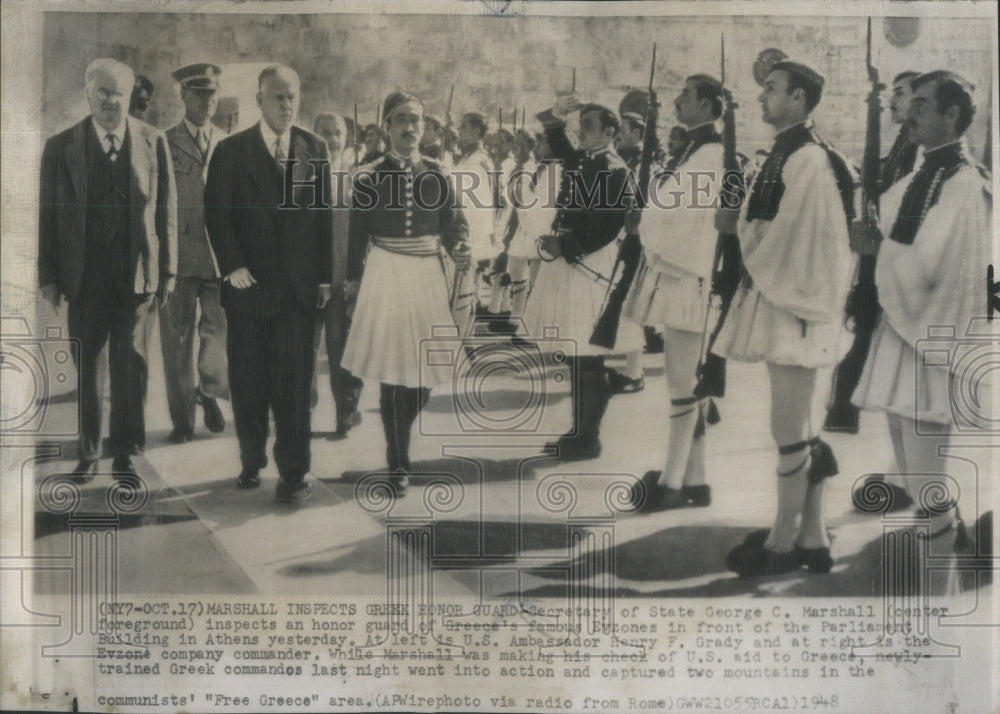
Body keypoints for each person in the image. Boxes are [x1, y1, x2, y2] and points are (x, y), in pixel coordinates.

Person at [712, 60, 855, 576]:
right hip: (785, 298)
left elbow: (796, 238)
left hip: (796, 303)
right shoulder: (789, 150)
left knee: (790, 427)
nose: (761, 98)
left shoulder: (810, 158)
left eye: (770, 90)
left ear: (798, 98)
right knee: (799, 426)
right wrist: (741, 221)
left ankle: (779, 546)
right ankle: (813, 540)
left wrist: (738, 232)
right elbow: (766, 218)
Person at [851, 71, 990, 567]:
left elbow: (935, 265)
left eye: (923, 105)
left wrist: (877, 248)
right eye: (910, 103)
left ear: (952, 115)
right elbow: (890, 223)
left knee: (928, 485)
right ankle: (951, 556)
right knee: (913, 476)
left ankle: (945, 595)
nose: (909, 113)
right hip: (901, 333)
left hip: (932, 340)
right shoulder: (922, 175)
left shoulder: (962, 183)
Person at [39, 58, 176, 481]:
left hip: (136, 275)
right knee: (89, 367)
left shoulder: (153, 141)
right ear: (87, 94)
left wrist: (168, 270)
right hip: (85, 277)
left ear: (130, 95)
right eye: (103, 92)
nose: (112, 101)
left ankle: (127, 452)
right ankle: (88, 452)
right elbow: (48, 216)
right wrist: (48, 276)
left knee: (131, 365)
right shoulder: (61, 147)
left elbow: (166, 210)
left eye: (119, 93)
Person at [205, 64, 333, 502]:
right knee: (250, 383)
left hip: (298, 293)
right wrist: (232, 265)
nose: (286, 105)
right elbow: (217, 215)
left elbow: (322, 222)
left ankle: (294, 472)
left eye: (292, 96)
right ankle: (251, 460)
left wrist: (325, 279)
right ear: (259, 101)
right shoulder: (231, 151)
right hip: (249, 289)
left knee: (295, 387)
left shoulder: (314, 149)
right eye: (277, 97)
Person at [341, 90, 470, 494]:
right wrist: (352, 281)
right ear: (387, 127)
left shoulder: (439, 172)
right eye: (401, 119)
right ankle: (398, 460)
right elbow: (357, 236)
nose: (410, 127)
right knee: (393, 373)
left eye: (416, 119)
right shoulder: (369, 175)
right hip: (386, 273)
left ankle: (401, 433)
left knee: (427, 371)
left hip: (428, 276)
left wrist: (461, 246)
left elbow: (455, 225)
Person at [624, 74, 726, 511]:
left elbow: (678, 217)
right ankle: (697, 479)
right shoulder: (697, 149)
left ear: (707, 105)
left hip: (690, 276)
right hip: (686, 274)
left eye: (686, 95)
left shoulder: (709, 154)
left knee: (682, 383)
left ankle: (670, 482)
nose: (678, 100)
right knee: (689, 384)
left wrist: (642, 220)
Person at [522, 94, 631, 461]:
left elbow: (609, 224)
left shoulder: (614, 169)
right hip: (569, 261)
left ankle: (588, 439)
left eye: (588, 125)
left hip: (590, 264)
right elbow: (557, 139)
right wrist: (556, 113)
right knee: (575, 354)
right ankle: (579, 431)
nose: (580, 131)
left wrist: (567, 244)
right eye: (580, 124)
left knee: (588, 357)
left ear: (610, 132)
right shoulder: (585, 160)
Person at [826, 70, 921, 438]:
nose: (893, 100)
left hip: (894, 259)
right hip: (877, 259)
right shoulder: (899, 145)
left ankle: (847, 410)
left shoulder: (914, 149)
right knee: (866, 335)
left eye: (901, 93)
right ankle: (844, 410)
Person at [160, 62, 228, 445]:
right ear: (183, 96)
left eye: (212, 94)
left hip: (220, 259)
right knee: (176, 343)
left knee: (219, 340)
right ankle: (183, 421)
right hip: (179, 258)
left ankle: (210, 389)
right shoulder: (165, 142)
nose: (207, 101)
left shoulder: (228, 141)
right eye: (199, 94)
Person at [312, 112, 364, 435]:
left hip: (343, 273)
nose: (332, 139)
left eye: (338, 133)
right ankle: (304, 408)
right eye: (325, 133)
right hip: (311, 275)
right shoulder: (302, 176)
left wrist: (355, 277)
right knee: (304, 348)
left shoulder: (358, 177)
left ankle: (346, 410)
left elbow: (364, 232)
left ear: (346, 138)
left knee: (342, 345)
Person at [452, 111, 497, 326]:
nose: (459, 131)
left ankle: (463, 341)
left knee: (463, 289)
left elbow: (473, 206)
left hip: (469, 232)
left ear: (477, 131)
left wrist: (463, 237)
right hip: (468, 232)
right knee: (463, 288)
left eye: (464, 127)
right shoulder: (472, 158)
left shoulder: (476, 162)